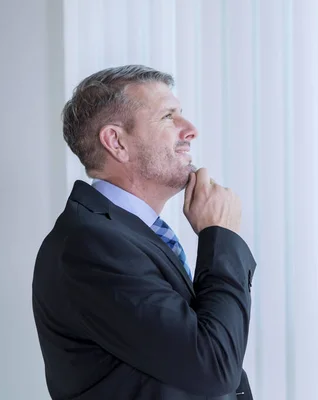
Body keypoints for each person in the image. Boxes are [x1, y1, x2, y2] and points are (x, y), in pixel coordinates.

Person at [32, 65, 256, 400]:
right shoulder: (91, 245)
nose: (191, 130)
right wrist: (220, 237)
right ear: (116, 142)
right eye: (168, 116)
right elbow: (213, 366)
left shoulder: (126, 235)